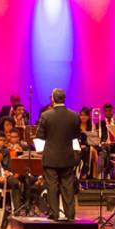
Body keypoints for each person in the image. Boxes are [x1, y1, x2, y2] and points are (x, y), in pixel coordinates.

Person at [36, 88, 80, 221]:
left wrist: (40, 151)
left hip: (50, 158)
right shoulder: (74, 116)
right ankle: (70, 214)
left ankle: (54, 214)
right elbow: (76, 137)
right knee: (68, 186)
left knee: (52, 186)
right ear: (64, 99)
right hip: (67, 157)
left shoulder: (46, 115)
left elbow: (40, 137)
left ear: (53, 99)